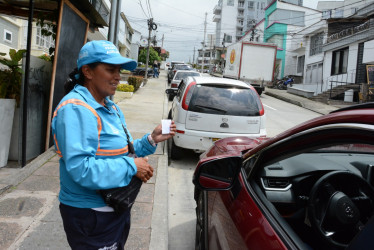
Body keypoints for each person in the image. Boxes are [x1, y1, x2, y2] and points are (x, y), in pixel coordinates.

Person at [51, 40, 176, 249]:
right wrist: (133, 166)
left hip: (114, 207)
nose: (118, 76)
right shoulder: (76, 109)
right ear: (88, 71)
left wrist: (151, 140)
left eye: (119, 70)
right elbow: (82, 169)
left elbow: (119, 151)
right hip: (91, 215)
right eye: (110, 70)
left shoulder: (109, 106)